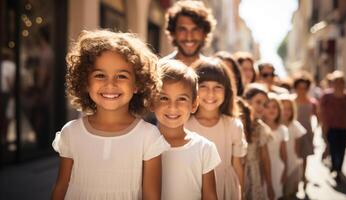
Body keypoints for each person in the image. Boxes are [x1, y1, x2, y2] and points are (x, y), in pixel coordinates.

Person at [51, 30, 170, 199]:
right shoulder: (71, 132)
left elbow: (152, 196)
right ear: (85, 82)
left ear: (137, 84)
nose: (110, 84)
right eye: (100, 75)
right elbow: (60, 187)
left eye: (121, 76)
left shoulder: (148, 136)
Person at [153, 59, 221, 200]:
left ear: (194, 104)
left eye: (182, 99)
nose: (173, 107)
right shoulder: (143, 142)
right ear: (151, 101)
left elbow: (210, 196)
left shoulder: (204, 148)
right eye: (164, 98)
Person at [185, 58, 247, 200]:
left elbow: (237, 165)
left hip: (225, 190)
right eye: (203, 86)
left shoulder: (233, 125)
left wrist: (242, 194)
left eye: (217, 87)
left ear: (227, 91)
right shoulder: (184, 124)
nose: (211, 93)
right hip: (193, 188)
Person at [243, 84, 275, 200]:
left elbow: (265, 157)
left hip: (254, 173)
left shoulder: (261, 128)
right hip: (237, 174)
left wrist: (270, 184)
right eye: (258, 102)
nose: (261, 107)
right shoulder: (236, 124)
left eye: (265, 104)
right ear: (247, 101)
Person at [162, 0, 216, 66]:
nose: (189, 37)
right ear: (173, 32)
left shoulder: (213, 71)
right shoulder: (161, 70)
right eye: (183, 30)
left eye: (195, 29)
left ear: (204, 33)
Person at [320, 70, 346, 183]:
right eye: (336, 82)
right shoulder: (327, 96)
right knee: (333, 148)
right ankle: (334, 165)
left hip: (344, 128)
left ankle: (338, 169)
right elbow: (321, 111)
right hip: (331, 127)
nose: (339, 84)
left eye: (341, 82)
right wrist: (322, 126)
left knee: (342, 150)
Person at [292, 72, 318, 189]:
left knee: (305, 156)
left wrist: (316, 129)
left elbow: (317, 116)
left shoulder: (311, 102)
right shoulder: (292, 101)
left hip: (307, 131)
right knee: (294, 155)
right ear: (295, 88)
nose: (302, 90)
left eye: (304, 88)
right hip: (294, 131)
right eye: (299, 88)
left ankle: (303, 176)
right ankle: (294, 178)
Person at [262, 93, 289, 199]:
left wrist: (285, 170)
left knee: (275, 195)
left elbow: (284, 153)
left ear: (279, 110)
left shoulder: (282, 129)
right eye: (267, 107)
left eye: (274, 107)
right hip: (261, 167)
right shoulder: (260, 129)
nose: (271, 110)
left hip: (277, 167)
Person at [280, 94, 306, 198]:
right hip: (278, 161)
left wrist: (297, 162)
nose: (285, 112)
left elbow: (297, 147)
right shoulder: (275, 126)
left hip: (292, 161)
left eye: (288, 109)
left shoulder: (295, 126)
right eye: (283, 109)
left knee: (290, 189)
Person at [0, 48, 16, 149]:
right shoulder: (11, 65)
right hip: (6, 93)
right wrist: (12, 92)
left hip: (4, 92)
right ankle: (4, 138)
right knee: (7, 116)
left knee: (3, 116)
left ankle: (4, 138)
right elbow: (9, 79)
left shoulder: (3, 65)